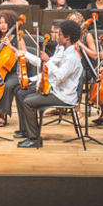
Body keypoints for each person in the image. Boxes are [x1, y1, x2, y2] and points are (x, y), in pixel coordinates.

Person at [18, 20, 83, 148]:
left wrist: (48, 61)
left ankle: (34, 138)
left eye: (59, 34)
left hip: (64, 96)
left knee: (27, 102)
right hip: (57, 91)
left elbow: (60, 77)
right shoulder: (65, 52)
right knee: (26, 97)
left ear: (67, 38)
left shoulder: (72, 57)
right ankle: (33, 134)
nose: (57, 37)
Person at [13, 19, 63, 138]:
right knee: (18, 90)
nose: (51, 34)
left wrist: (25, 54)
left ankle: (30, 132)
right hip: (49, 82)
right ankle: (25, 129)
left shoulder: (63, 51)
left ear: (60, 33)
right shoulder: (59, 48)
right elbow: (46, 68)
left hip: (54, 88)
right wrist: (33, 79)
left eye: (53, 32)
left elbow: (45, 66)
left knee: (22, 93)